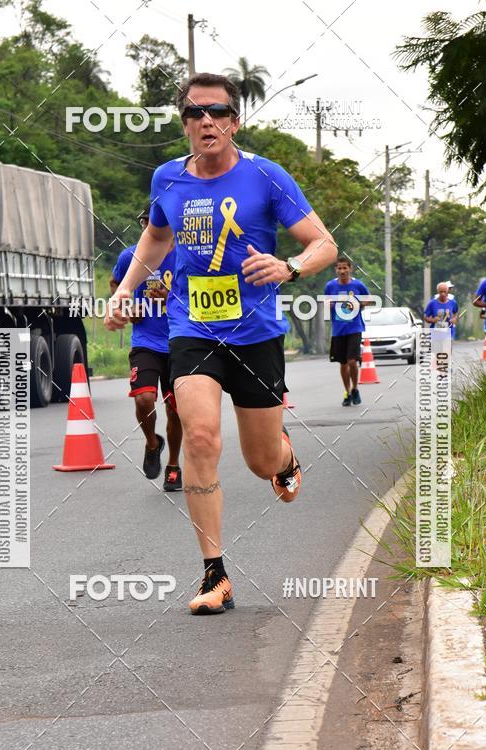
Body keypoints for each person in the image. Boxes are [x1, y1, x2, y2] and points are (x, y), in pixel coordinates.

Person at [105, 72, 337, 614]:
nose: (205, 121)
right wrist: (125, 291)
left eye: (216, 112)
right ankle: (215, 575)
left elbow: (323, 243)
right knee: (202, 439)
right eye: (194, 113)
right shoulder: (167, 178)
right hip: (192, 330)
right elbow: (157, 237)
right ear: (184, 123)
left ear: (233, 122)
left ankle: (284, 457)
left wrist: (289, 265)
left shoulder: (266, 176)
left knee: (260, 462)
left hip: (255, 334)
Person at [109, 212, 183, 491]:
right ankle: (153, 443)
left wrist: (170, 297)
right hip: (146, 341)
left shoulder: (187, 258)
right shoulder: (130, 257)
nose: (152, 227)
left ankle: (174, 466)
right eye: (147, 223)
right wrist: (127, 308)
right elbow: (116, 285)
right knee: (143, 399)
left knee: (176, 411)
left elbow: (198, 294)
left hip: (181, 341)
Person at [325, 256, 369, 406]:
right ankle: (348, 392)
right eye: (339, 268)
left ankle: (355, 388)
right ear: (336, 270)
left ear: (350, 269)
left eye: (345, 268)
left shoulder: (358, 285)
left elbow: (369, 299)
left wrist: (357, 302)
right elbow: (326, 301)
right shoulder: (330, 286)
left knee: (352, 361)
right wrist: (329, 304)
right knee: (343, 363)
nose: (342, 271)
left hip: (354, 327)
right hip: (338, 329)